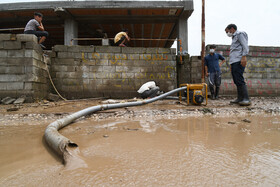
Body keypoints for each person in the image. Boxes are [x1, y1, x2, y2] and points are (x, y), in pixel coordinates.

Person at [225, 24, 251, 106]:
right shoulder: (234, 37)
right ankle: (240, 98)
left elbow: (245, 46)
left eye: (228, 31)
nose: (227, 33)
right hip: (234, 61)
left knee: (239, 79)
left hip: (239, 60)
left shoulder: (240, 34)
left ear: (232, 29)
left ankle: (246, 99)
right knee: (236, 80)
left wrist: (244, 57)